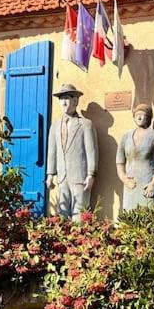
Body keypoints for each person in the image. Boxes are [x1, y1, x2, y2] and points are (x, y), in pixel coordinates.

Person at [46, 84, 97, 220]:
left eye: (67, 98)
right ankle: (63, 241)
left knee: (80, 214)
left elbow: (91, 151)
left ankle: (80, 240)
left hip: (80, 176)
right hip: (62, 177)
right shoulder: (55, 126)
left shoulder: (85, 124)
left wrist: (91, 174)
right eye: (61, 99)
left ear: (75, 101)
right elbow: (52, 151)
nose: (63, 102)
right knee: (62, 212)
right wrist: (50, 174)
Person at [116, 103, 154, 211]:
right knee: (130, 215)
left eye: (142, 114)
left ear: (148, 117)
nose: (139, 117)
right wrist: (125, 179)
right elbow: (119, 162)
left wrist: (153, 182)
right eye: (137, 114)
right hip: (131, 185)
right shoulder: (125, 137)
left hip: (147, 184)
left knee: (150, 215)